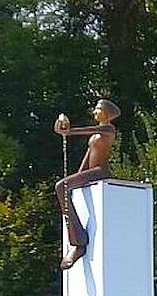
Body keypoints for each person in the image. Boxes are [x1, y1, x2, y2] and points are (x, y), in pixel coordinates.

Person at [52, 99, 121, 270]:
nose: (95, 112)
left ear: (107, 113)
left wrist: (69, 131)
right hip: (92, 172)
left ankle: (78, 242)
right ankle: (77, 239)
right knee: (63, 187)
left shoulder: (108, 129)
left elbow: (87, 130)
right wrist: (78, 176)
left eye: (98, 109)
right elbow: (88, 155)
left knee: (60, 187)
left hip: (100, 172)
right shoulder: (95, 135)